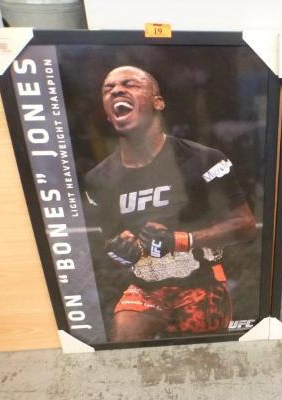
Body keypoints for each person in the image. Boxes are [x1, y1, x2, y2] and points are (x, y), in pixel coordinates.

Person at [85, 66, 257, 342]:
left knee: (199, 358)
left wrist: (181, 240)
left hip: (202, 286)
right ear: (107, 113)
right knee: (123, 343)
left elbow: (246, 226)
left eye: (130, 84)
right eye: (109, 88)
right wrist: (122, 251)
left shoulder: (204, 160)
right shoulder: (98, 179)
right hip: (145, 288)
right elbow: (113, 242)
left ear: (158, 102)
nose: (117, 90)